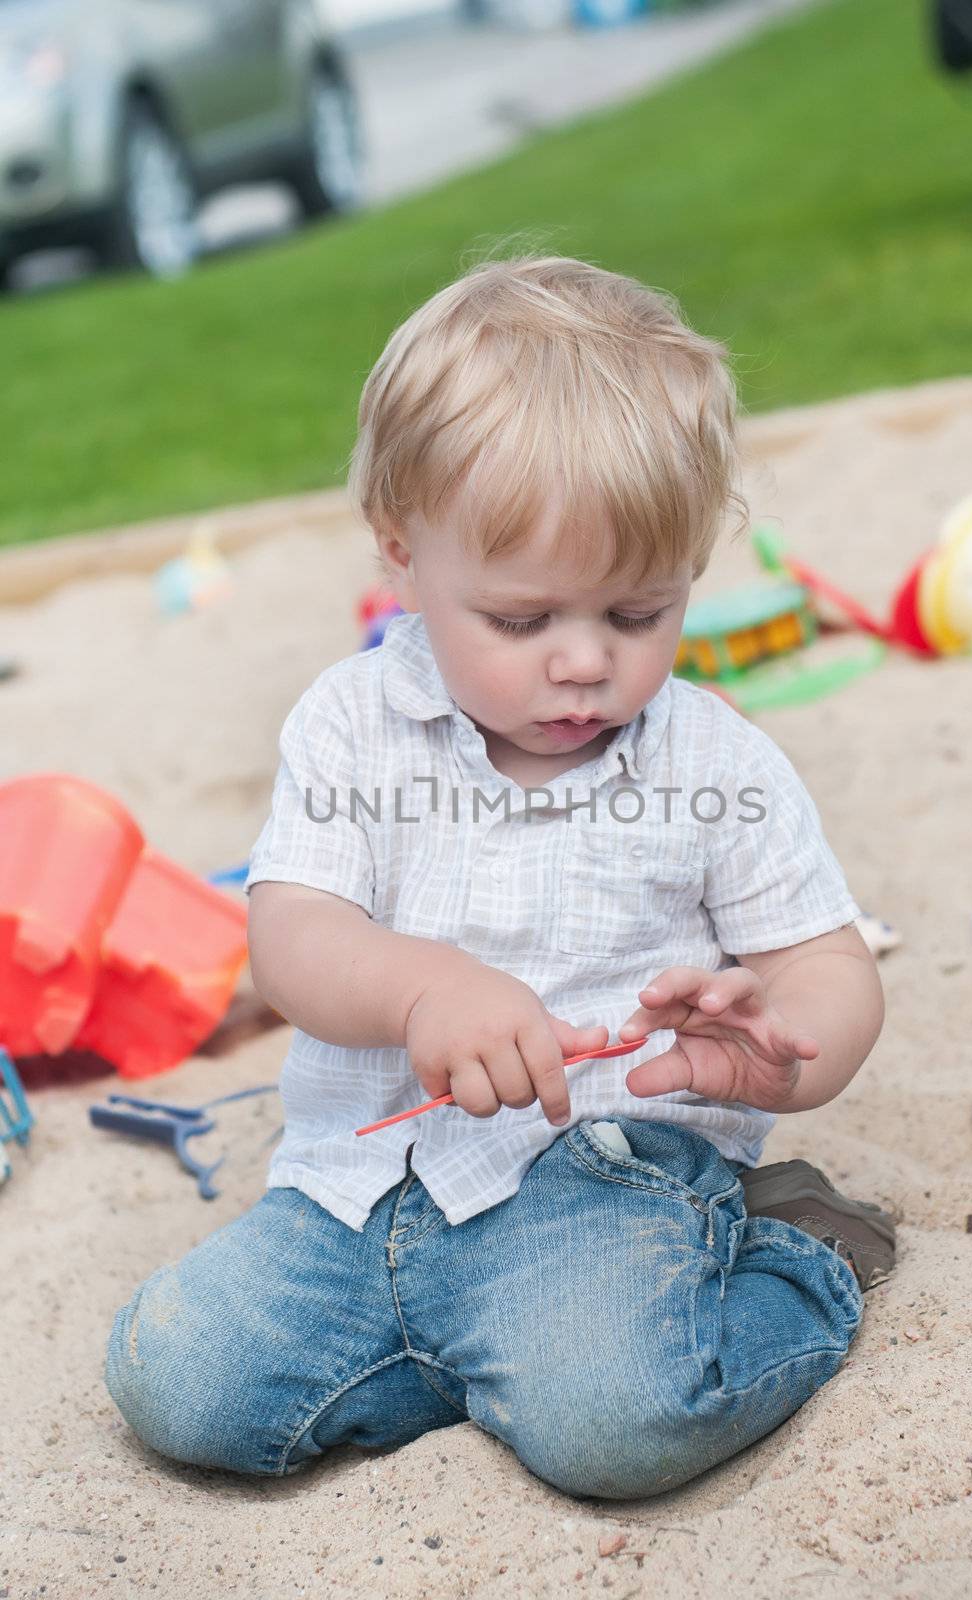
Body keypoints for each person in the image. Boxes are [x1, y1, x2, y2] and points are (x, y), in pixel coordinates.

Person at [105, 254, 896, 1500]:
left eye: (638, 614)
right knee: (176, 1379)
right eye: (523, 621)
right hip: (356, 1191)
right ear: (401, 552)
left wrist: (790, 1041)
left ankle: (793, 1256)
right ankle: (472, 1357)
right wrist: (419, 988)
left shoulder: (714, 761)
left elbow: (825, 962)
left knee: (619, 1429)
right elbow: (291, 934)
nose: (583, 662)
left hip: (603, 1183)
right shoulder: (349, 724)